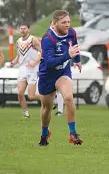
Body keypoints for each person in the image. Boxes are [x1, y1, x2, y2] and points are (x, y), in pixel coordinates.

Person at [37, 10, 83, 146]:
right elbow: (50, 63)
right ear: (55, 23)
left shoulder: (71, 32)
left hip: (63, 73)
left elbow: (74, 46)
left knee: (68, 97)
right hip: (47, 76)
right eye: (64, 23)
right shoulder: (48, 39)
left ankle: (73, 134)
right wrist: (67, 56)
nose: (67, 25)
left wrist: (77, 59)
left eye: (68, 22)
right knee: (46, 108)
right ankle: (45, 134)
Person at [10, 24, 42, 118]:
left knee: (31, 96)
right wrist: (13, 63)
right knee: (20, 93)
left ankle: (49, 98)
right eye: (21, 28)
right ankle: (26, 114)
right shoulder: (18, 41)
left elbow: (42, 52)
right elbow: (19, 56)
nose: (22, 30)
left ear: (28, 29)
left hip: (33, 69)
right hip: (23, 68)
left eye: (24, 28)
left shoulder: (33, 40)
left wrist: (35, 62)